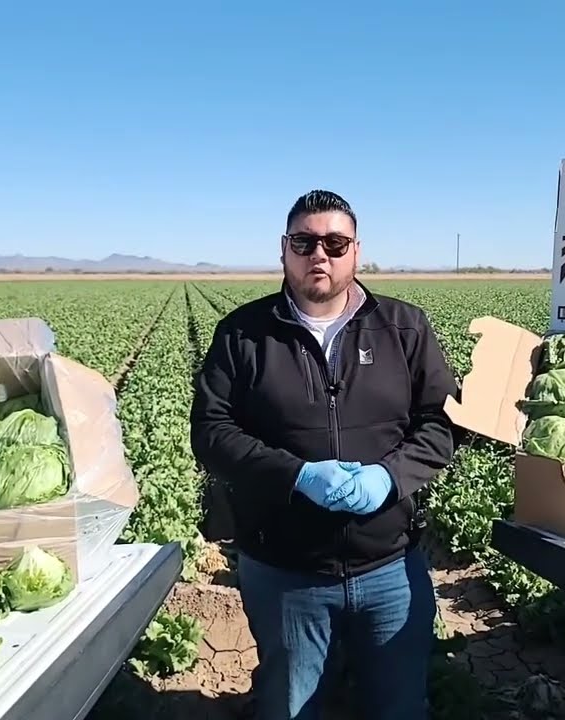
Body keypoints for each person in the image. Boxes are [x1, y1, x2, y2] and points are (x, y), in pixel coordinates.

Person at [189, 189, 458, 720]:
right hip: (285, 573)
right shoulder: (243, 334)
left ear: (356, 252)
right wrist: (296, 475)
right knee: (291, 709)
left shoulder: (404, 328)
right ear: (284, 250)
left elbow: (443, 422)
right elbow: (211, 433)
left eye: (335, 243)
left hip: (390, 568)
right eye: (305, 241)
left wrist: (390, 477)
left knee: (399, 708)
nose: (320, 255)